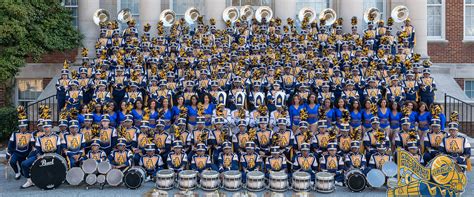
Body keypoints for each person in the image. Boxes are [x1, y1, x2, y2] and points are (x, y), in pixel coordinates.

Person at [21, 119, 61, 188]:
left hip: (53, 156)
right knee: (24, 164)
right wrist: (38, 155)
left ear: (51, 127)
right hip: (42, 155)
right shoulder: (39, 138)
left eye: (48, 127)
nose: (46, 129)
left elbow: (58, 150)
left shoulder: (57, 137)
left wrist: (55, 158)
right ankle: (30, 180)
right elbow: (37, 149)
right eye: (45, 127)